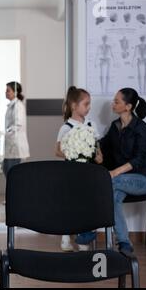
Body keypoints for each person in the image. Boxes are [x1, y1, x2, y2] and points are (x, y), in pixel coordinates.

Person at [99, 88, 146, 253]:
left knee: (109, 182)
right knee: (113, 198)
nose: (113, 104)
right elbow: (103, 145)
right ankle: (124, 244)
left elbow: (138, 161)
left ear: (128, 106)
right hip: (122, 181)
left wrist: (114, 173)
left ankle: (88, 231)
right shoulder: (115, 126)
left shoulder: (144, 129)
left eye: (117, 101)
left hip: (145, 179)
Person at [56, 86, 103, 252]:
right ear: (74, 106)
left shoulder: (92, 125)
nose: (89, 107)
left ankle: (84, 239)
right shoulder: (66, 127)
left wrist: (97, 156)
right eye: (86, 104)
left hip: (89, 172)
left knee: (89, 205)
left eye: (89, 104)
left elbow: (98, 151)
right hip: (71, 172)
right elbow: (57, 151)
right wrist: (75, 152)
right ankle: (66, 234)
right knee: (72, 205)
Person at [0, 81, 30, 178]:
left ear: (15, 92)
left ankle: (16, 192)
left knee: (12, 172)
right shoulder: (12, 105)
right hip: (11, 145)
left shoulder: (18, 105)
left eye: (8, 91)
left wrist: (5, 132)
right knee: (6, 169)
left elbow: (18, 125)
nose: (6, 93)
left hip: (15, 145)